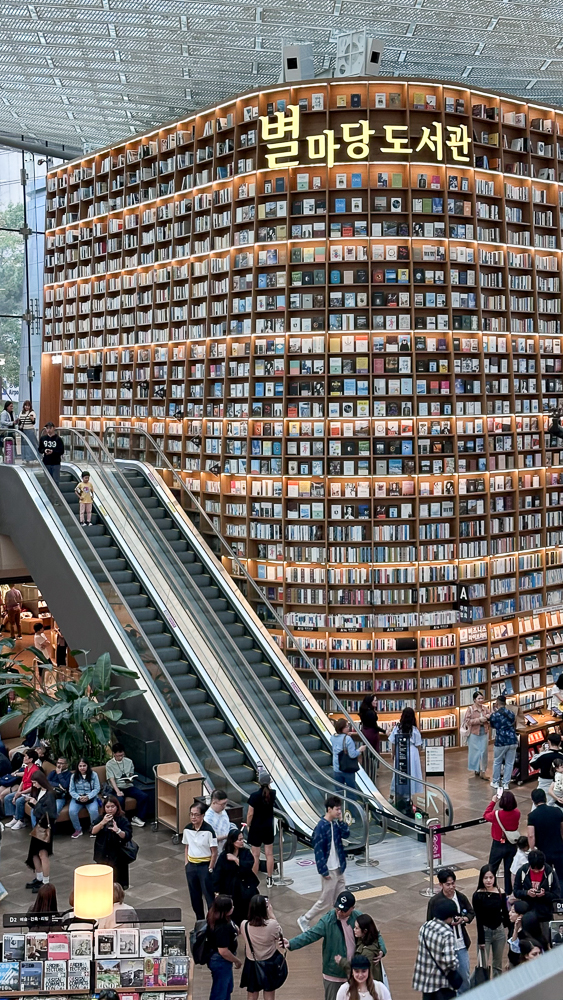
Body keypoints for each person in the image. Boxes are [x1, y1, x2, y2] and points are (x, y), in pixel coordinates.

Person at [287, 889, 362, 1000]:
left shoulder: (359, 918)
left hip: (355, 972)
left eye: (344, 911)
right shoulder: (327, 920)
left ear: (352, 909)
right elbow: (310, 935)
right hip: (334, 974)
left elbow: (375, 935)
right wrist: (290, 943)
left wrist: (381, 951)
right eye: (338, 909)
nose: (340, 913)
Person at [297, 795, 349, 933]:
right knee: (325, 901)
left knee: (342, 897)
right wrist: (323, 870)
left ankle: (339, 922)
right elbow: (318, 850)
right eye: (337, 809)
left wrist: (342, 820)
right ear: (329, 809)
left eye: (340, 809)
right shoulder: (320, 827)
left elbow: (347, 834)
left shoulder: (335, 824)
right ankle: (305, 918)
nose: (339, 812)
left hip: (339, 867)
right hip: (329, 869)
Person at [426, 869, 473, 994]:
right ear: (440, 885)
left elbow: (471, 913)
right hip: (444, 948)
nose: (451, 887)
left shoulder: (460, 897)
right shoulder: (434, 902)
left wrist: (463, 919)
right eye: (448, 884)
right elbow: (429, 924)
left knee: (464, 977)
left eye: (453, 883)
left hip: (461, 944)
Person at [412, 898, 460, 1000]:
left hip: (425, 980)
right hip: (442, 982)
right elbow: (450, 961)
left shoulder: (425, 927)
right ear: (449, 916)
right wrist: (456, 964)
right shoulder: (447, 933)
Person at [212, 828, 260, 927]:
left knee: (246, 908)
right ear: (233, 841)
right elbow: (218, 874)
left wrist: (235, 859)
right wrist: (217, 891)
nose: (242, 842)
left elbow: (248, 866)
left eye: (242, 839)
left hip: (244, 887)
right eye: (239, 840)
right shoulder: (224, 856)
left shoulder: (246, 853)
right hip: (230, 888)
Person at [240, 893, 284, 1000]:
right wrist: (272, 914)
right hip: (269, 962)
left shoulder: (244, 924)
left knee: (252, 994)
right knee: (269, 993)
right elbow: (280, 935)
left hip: (251, 962)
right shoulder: (272, 925)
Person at [471, 865, 509, 978]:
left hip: (499, 932)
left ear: (494, 878)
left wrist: (508, 928)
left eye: (491, 877)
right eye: (485, 877)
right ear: (481, 879)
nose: (488, 880)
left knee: (497, 964)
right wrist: (481, 940)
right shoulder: (477, 895)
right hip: (485, 932)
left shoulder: (501, 893)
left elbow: (505, 913)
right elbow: (479, 918)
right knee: (482, 965)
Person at [182, 801, 217, 923]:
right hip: (191, 866)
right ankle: (200, 921)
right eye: (191, 814)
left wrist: (210, 868)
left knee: (209, 896)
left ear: (202, 816)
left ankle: (212, 921)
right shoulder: (187, 829)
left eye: (196, 815)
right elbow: (187, 846)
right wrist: (186, 863)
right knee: (194, 896)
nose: (193, 817)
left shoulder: (209, 831)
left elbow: (214, 851)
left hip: (204, 866)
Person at [513, 849, 561, 938]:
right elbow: (516, 891)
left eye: (539, 869)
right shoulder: (522, 871)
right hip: (527, 916)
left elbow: (556, 895)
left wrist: (545, 895)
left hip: (545, 916)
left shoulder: (550, 872)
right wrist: (526, 893)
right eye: (533, 868)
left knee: (546, 944)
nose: (536, 871)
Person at [25, 771, 58, 893]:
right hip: (39, 826)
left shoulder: (49, 794)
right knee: (34, 853)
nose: (34, 784)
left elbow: (49, 812)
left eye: (34, 782)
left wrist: (35, 803)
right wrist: (34, 803)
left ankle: (45, 881)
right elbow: (39, 809)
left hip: (45, 828)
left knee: (43, 854)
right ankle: (39, 878)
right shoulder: (41, 791)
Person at [92, 795, 133, 890]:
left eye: (112, 807)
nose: (110, 809)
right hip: (103, 853)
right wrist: (102, 822)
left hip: (118, 854)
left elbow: (127, 835)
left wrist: (117, 830)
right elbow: (93, 831)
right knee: (103, 880)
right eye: (108, 807)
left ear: (117, 807)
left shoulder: (122, 819)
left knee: (118, 881)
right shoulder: (100, 818)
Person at [483, 790, 521, 893]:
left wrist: (492, 802)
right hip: (512, 844)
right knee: (509, 869)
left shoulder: (496, 814)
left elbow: (485, 815)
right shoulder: (517, 813)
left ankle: (491, 890)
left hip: (498, 843)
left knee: (492, 868)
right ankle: (508, 892)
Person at [335, 913, 387, 985]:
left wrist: (341, 961)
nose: (354, 930)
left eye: (357, 928)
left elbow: (359, 969)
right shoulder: (365, 940)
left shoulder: (367, 952)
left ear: (365, 931)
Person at [105, 742, 148, 827]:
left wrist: (130, 779)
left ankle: (138, 818)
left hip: (128, 786)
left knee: (144, 796)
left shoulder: (129, 761)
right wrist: (117, 791)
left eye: (122, 755)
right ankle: (122, 820)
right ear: (114, 754)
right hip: (116, 787)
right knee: (120, 800)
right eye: (118, 756)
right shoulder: (109, 764)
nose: (120, 757)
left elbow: (131, 774)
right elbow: (111, 779)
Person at [206, 894, 241, 1000]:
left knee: (227, 987)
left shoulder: (217, 916)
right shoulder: (222, 928)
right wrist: (237, 961)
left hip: (222, 961)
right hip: (221, 961)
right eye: (231, 906)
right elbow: (223, 951)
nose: (233, 908)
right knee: (220, 992)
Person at [526, 788, 563, 881]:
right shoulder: (557, 811)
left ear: (533, 801)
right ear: (545, 798)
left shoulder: (532, 816)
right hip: (559, 849)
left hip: (543, 851)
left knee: (546, 876)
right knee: (561, 876)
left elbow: (531, 835)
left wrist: (532, 848)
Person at [246, 771, 276, 886]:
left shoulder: (254, 796)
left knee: (255, 855)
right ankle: (269, 879)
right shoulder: (273, 794)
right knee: (269, 854)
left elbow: (250, 814)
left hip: (256, 827)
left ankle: (253, 879)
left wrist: (248, 824)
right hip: (268, 827)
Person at [389, 707, 424, 802]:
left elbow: (393, 742)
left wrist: (393, 754)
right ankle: (408, 797)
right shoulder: (414, 730)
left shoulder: (397, 728)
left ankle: (392, 796)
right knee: (411, 774)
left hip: (400, 751)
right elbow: (418, 745)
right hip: (412, 754)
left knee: (397, 774)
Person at [4, 748, 40, 828]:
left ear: (30, 759)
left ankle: (21, 820)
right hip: (23, 791)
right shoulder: (27, 768)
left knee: (19, 801)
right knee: (8, 797)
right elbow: (23, 781)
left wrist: (20, 793)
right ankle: (15, 818)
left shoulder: (35, 770)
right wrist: (18, 792)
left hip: (30, 792)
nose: (24, 758)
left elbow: (33, 787)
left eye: (26, 756)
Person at [489, 695, 518, 792]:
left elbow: (492, 725)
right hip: (512, 740)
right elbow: (514, 722)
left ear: (497, 703)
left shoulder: (495, 715)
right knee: (510, 763)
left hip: (501, 741)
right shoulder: (511, 713)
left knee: (497, 761)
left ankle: (496, 782)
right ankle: (506, 783)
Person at [69, 758, 101, 838]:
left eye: (84, 766)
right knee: (72, 811)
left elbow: (97, 788)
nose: (82, 768)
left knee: (94, 810)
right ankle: (78, 830)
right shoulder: (73, 776)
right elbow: (71, 790)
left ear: (87, 766)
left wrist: (88, 796)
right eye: (80, 766)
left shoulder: (94, 775)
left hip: (90, 797)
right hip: (78, 798)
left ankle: (94, 829)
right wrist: (79, 797)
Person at [462, 691, 490, 779]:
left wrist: (487, 718)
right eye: (479, 699)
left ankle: (483, 771)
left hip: (484, 732)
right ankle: (476, 769)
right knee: (475, 752)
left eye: (482, 698)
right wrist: (479, 720)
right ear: (474, 700)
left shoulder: (485, 708)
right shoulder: (470, 709)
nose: (481, 700)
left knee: (484, 752)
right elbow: (467, 721)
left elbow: (490, 716)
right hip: (474, 733)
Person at [331, 718, 364, 792]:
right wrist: (360, 750)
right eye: (346, 726)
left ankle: (340, 803)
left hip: (336, 768)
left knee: (339, 791)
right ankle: (351, 803)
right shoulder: (348, 739)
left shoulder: (332, 738)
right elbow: (352, 755)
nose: (348, 728)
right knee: (351, 790)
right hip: (347, 769)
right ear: (341, 728)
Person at [529, 731, 563, 797]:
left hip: (544, 783)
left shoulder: (543, 755)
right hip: (559, 782)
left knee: (540, 801)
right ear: (560, 743)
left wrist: (540, 753)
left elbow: (533, 764)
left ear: (549, 742)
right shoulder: (561, 755)